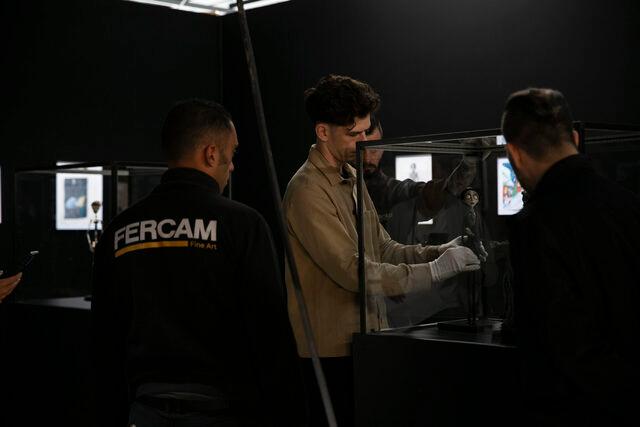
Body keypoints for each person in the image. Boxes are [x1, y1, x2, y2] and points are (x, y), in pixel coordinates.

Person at [92, 99, 305, 427]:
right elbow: (269, 332)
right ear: (211, 154)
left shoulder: (119, 231)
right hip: (223, 409)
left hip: (144, 409)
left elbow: (104, 339)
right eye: (232, 154)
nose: (232, 167)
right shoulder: (242, 225)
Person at [283, 74, 481, 426]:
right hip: (329, 355)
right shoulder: (307, 191)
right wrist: (435, 271)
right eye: (354, 135)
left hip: (367, 342)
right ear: (323, 131)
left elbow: (383, 248)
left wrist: (439, 252)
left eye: (366, 133)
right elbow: (352, 271)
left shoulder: (352, 177)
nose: (364, 143)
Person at [502, 88, 640, 426]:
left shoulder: (534, 224)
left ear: (514, 153)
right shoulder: (629, 205)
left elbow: (557, 343)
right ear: (575, 138)